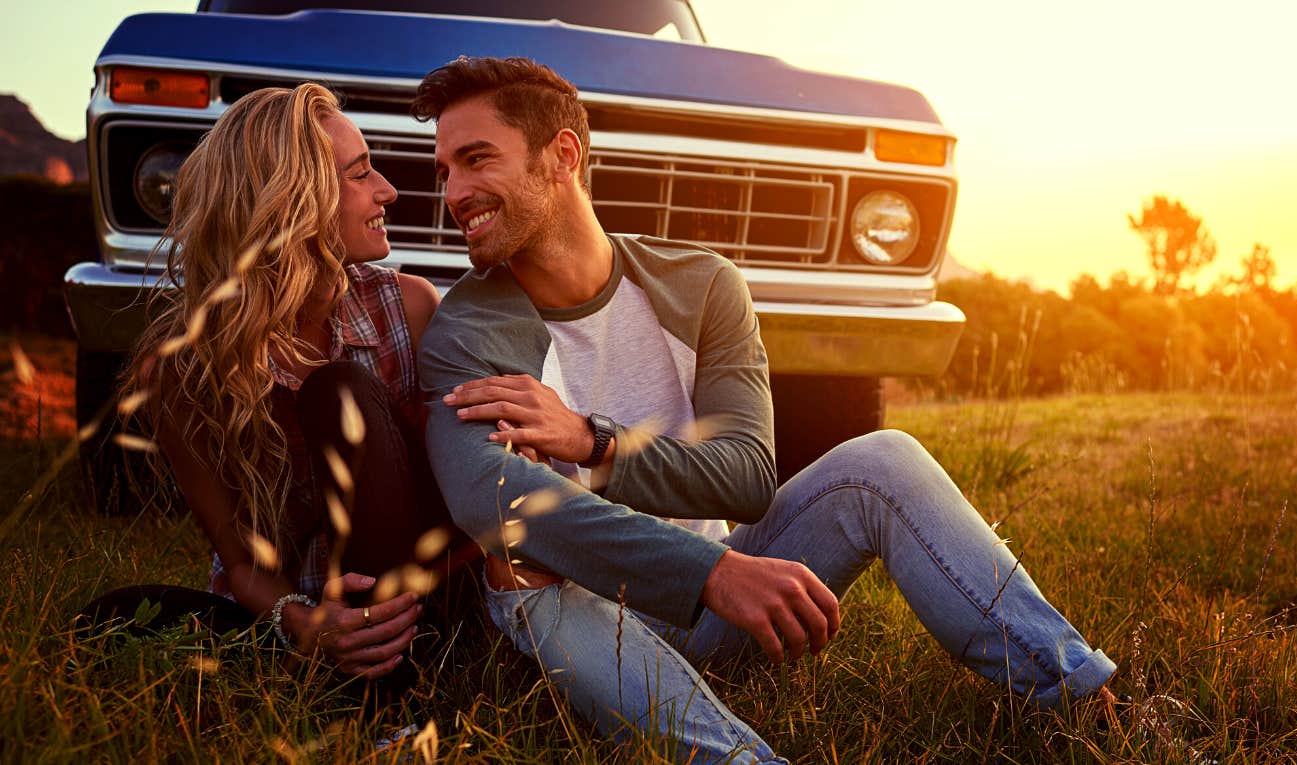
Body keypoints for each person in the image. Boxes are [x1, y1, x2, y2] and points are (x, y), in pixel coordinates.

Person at [413, 57, 1117, 763]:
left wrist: (595, 441)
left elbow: (746, 475)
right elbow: (495, 500)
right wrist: (709, 572)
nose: (456, 191)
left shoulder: (703, 285)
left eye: (476, 160)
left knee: (883, 458)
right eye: (445, 169)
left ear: (563, 154)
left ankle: (1086, 701)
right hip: (583, 621)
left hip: (724, 604)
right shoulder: (466, 332)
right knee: (520, 565)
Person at [93, 84, 479, 700]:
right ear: (293, 207)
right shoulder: (185, 371)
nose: (387, 190)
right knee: (108, 620)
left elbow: (465, 497)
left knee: (342, 392)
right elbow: (239, 562)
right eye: (360, 174)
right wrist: (302, 622)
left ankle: (383, 698)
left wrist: (387, 613)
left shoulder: (409, 309)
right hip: (296, 614)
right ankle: (320, 669)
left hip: (414, 605)